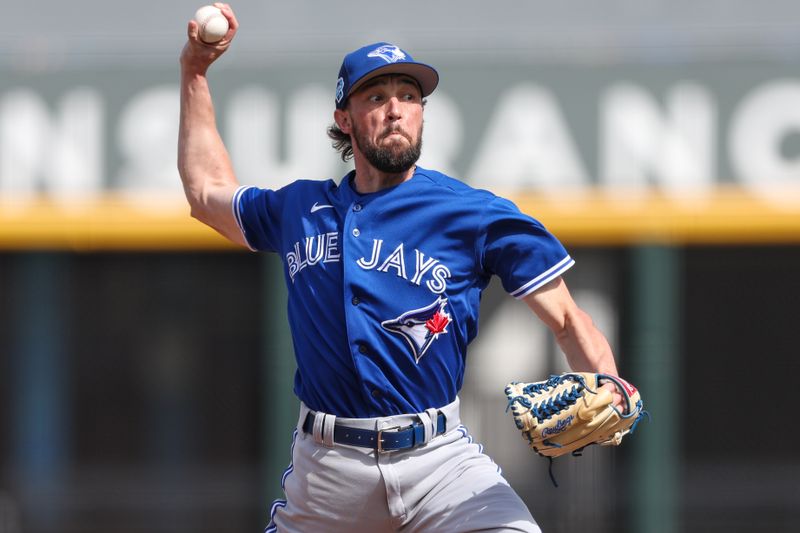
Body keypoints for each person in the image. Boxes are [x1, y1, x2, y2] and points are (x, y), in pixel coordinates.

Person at [179, 4, 625, 532]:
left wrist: (610, 384)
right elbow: (206, 194)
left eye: (409, 97)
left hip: (440, 462)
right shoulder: (299, 209)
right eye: (376, 96)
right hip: (327, 471)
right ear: (344, 119)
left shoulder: (471, 213)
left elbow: (570, 319)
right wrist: (195, 73)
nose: (396, 109)